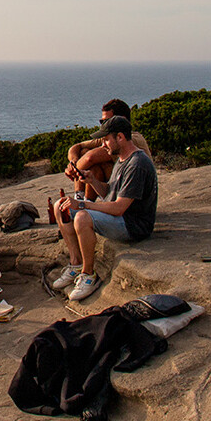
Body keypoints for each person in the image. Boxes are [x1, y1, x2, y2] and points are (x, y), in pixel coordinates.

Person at [51, 115, 158, 302]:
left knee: (82, 217)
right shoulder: (122, 159)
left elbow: (119, 208)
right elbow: (111, 192)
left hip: (133, 225)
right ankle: (76, 263)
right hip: (119, 218)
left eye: (106, 140)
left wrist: (83, 204)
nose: (104, 145)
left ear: (120, 138)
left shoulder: (137, 164)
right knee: (60, 206)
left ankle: (88, 275)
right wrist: (92, 181)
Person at [63, 98, 151, 203]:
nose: (103, 125)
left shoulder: (129, 140)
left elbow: (91, 158)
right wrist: (73, 161)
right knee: (83, 151)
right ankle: (81, 198)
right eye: (102, 121)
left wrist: (73, 170)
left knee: (95, 162)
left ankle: (86, 202)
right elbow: (77, 147)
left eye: (106, 121)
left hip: (134, 196)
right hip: (118, 187)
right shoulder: (110, 138)